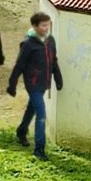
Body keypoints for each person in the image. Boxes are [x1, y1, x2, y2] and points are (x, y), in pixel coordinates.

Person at [7, 12, 63, 160]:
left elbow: (53, 60)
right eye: (43, 25)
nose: (47, 28)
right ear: (35, 26)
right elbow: (19, 65)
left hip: (44, 82)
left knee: (32, 108)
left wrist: (58, 78)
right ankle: (39, 149)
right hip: (32, 83)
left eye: (48, 25)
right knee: (41, 114)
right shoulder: (28, 44)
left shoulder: (50, 41)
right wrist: (12, 84)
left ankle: (21, 131)